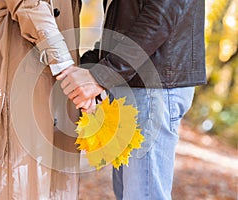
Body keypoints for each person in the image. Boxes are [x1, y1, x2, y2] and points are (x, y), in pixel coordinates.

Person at [58, 0, 206, 199]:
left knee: (143, 195)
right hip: (133, 81)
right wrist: (91, 66)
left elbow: (159, 17)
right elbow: (124, 25)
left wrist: (103, 74)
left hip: (153, 86)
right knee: (129, 193)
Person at [0, 0, 83, 199]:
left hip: (59, 62)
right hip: (19, 53)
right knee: (16, 179)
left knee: (53, 180)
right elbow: (29, 4)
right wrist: (65, 65)